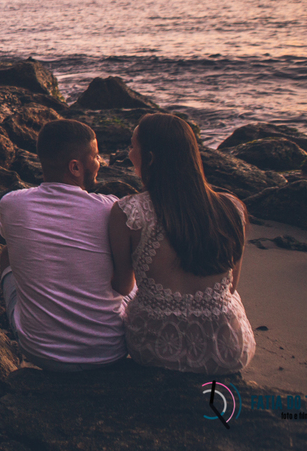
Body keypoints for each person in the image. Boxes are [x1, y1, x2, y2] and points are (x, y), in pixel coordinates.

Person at [108, 113, 256, 374]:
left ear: (150, 158)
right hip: (227, 350)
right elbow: (231, 287)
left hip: (155, 349)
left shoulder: (129, 212)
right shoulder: (232, 208)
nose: (129, 154)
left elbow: (122, 286)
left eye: (133, 146)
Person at [0, 119, 128, 371]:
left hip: (38, 351)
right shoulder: (110, 208)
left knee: (7, 254)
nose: (101, 162)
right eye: (96, 156)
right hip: (109, 350)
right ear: (75, 167)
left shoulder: (11, 204)